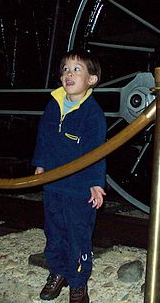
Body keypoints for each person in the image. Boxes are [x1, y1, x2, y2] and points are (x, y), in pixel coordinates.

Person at [32, 49, 106, 303]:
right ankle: (57, 273)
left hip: (78, 189)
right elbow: (43, 136)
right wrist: (40, 164)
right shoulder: (54, 104)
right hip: (53, 185)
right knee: (54, 233)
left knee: (78, 236)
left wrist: (96, 183)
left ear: (92, 80)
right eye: (65, 69)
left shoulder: (93, 113)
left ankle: (78, 282)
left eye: (77, 69)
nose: (69, 74)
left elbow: (97, 150)